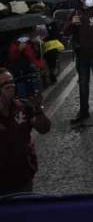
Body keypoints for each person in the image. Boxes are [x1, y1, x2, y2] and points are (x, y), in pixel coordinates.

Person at [0, 68, 50, 196]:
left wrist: (38, 110)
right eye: (4, 84)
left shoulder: (23, 107)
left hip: (23, 174)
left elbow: (44, 128)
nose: (10, 86)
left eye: (11, 81)